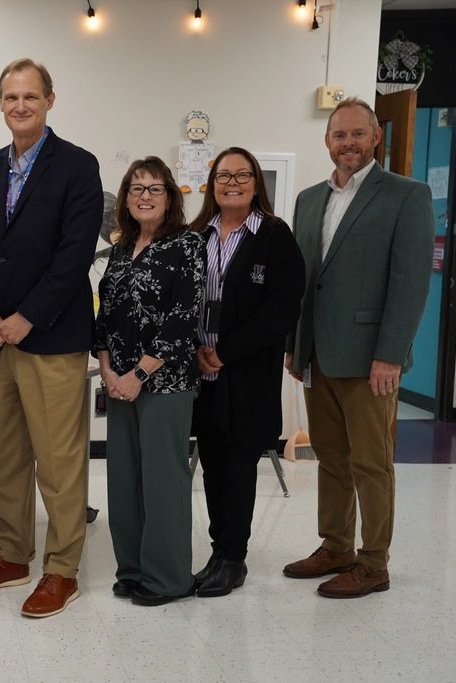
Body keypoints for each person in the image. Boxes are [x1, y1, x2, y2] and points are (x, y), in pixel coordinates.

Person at [0, 58, 103, 618]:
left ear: (49, 99)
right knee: (6, 457)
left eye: (30, 97)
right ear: (0, 103)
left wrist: (27, 317)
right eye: (10, 97)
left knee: (59, 461)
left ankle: (61, 568)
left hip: (52, 340)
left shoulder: (77, 167)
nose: (20, 106)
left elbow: (72, 257)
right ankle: (12, 555)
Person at [283, 97, 434, 598]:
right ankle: (336, 546)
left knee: (371, 461)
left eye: (356, 134)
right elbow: (302, 281)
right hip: (318, 353)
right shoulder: (308, 199)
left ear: (375, 138)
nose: (347, 143)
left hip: (371, 357)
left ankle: (374, 563)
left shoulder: (406, 195)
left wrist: (391, 353)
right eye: (338, 135)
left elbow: (410, 281)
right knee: (331, 457)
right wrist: (294, 343)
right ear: (326, 142)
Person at [188, 147, 306, 597]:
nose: (232, 182)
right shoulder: (197, 235)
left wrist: (226, 350)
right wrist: (198, 349)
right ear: (211, 184)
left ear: (257, 183)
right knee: (213, 466)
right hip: (201, 373)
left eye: (242, 175)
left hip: (245, 375)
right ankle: (219, 554)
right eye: (223, 175)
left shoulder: (275, 236)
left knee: (238, 467)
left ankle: (234, 559)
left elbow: (281, 311)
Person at [93, 157, 205, 607]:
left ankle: (169, 578)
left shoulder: (187, 245)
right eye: (136, 188)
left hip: (164, 383)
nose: (144, 196)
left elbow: (183, 320)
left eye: (154, 188)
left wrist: (138, 374)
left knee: (163, 482)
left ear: (170, 197)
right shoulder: (119, 249)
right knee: (123, 479)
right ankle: (134, 570)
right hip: (118, 382)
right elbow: (104, 314)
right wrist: (107, 368)